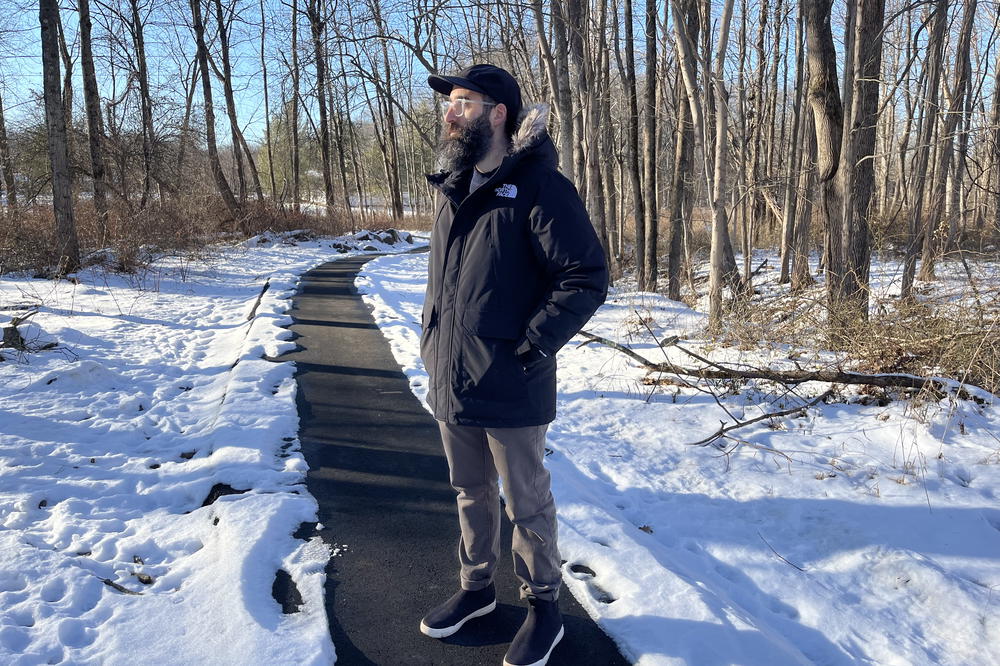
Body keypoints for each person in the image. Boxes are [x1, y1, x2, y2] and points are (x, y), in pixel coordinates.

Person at [418, 63, 609, 666]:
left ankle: (544, 605)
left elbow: (585, 276)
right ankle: (477, 589)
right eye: (450, 102)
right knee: (469, 490)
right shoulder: (453, 185)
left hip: (512, 376)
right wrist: (432, 340)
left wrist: (533, 344)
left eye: (464, 102)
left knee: (525, 500)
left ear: (498, 113)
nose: (451, 112)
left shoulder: (539, 186)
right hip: (452, 371)